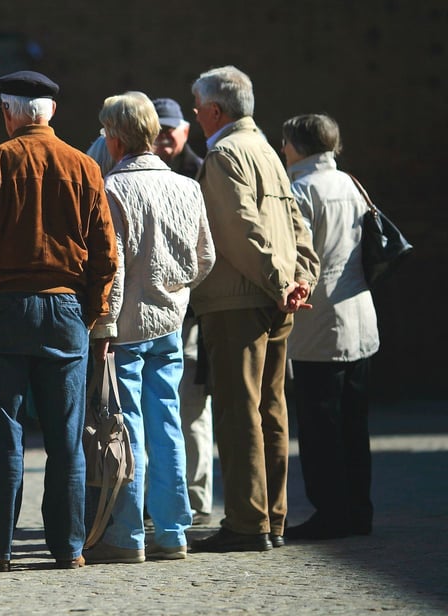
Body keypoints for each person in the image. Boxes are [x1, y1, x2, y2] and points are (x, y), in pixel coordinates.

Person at [0, 70, 117, 572]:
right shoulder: (85, 166)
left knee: (3, 435)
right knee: (66, 439)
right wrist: (91, 311)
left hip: (1, 310)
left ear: (8, 113)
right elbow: (106, 254)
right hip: (65, 308)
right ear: (52, 113)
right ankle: (68, 548)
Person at [187, 66, 320, 553]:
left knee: (240, 412)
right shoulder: (265, 149)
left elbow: (239, 230)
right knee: (271, 411)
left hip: (238, 300)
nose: (195, 114)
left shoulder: (225, 153)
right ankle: (273, 518)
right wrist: (300, 279)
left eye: (198, 106)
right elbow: (295, 224)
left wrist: (283, 280)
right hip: (277, 297)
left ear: (215, 111)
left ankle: (248, 522)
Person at [83, 92, 215, 565]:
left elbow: (112, 271)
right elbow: (207, 258)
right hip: (170, 323)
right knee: (169, 426)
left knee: (128, 430)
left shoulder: (113, 189)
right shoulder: (186, 186)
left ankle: (129, 533)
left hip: (127, 328)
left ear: (115, 139)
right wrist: (176, 292)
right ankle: (174, 530)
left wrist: (104, 325)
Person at [281, 114, 379, 540]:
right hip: (360, 317)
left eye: (285, 143)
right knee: (355, 425)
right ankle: (359, 510)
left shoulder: (301, 190)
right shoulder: (351, 184)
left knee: (321, 428)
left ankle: (331, 513)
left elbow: (300, 259)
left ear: (298, 146)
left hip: (319, 325)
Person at [151, 97, 213, 526]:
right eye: (160, 128)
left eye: (172, 127)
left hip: (190, 314)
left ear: (186, 130)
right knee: (160, 410)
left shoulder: (202, 171)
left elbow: (207, 251)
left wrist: (185, 291)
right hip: (157, 312)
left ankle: (197, 498)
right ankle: (165, 500)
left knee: (190, 409)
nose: (166, 135)